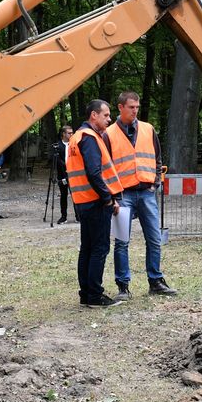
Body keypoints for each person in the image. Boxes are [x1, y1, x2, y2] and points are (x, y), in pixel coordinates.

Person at [108, 92, 176, 300]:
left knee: (154, 239)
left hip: (146, 192)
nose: (135, 111)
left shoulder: (148, 129)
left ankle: (155, 281)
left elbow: (157, 158)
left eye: (137, 107)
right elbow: (105, 166)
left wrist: (155, 183)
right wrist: (113, 195)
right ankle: (123, 286)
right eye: (131, 107)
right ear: (120, 107)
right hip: (123, 194)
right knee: (122, 241)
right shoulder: (109, 133)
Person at [66, 99, 124, 307]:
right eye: (106, 115)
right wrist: (108, 198)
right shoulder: (90, 138)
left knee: (88, 248)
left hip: (83, 201)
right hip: (96, 201)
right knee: (99, 248)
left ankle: (86, 294)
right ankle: (94, 296)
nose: (109, 119)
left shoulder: (77, 137)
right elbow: (94, 172)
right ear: (94, 115)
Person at [53, 125, 73, 224]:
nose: (71, 135)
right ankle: (63, 216)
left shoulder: (74, 144)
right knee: (63, 195)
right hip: (62, 174)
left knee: (75, 195)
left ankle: (78, 216)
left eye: (72, 133)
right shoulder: (58, 145)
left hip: (73, 174)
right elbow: (56, 160)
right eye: (69, 133)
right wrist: (65, 166)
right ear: (63, 134)